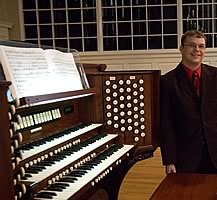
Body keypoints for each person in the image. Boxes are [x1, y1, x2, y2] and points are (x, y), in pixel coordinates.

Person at [160, 30, 217, 174]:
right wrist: (169, 160)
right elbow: (166, 124)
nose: (197, 50)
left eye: (201, 46)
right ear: (181, 49)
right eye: (192, 45)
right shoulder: (167, 82)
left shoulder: (215, 76)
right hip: (186, 156)